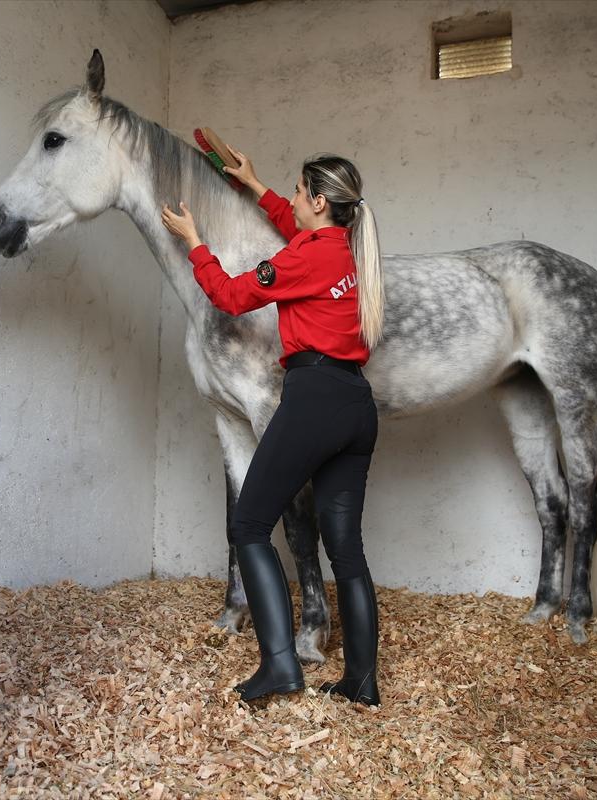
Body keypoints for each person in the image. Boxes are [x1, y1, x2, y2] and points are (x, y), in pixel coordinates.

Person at [160, 149, 385, 705]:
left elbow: (232, 296)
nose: (290, 197)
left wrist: (194, 243)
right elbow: (297, 233)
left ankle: (280, 666)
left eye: (296, 189)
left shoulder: (307, 258)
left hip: (313, 401)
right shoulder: (344, 248)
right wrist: (255, 184)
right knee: (347, 549)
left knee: (250, 526)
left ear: (318, 201)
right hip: (356, 403)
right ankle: (361, 682)